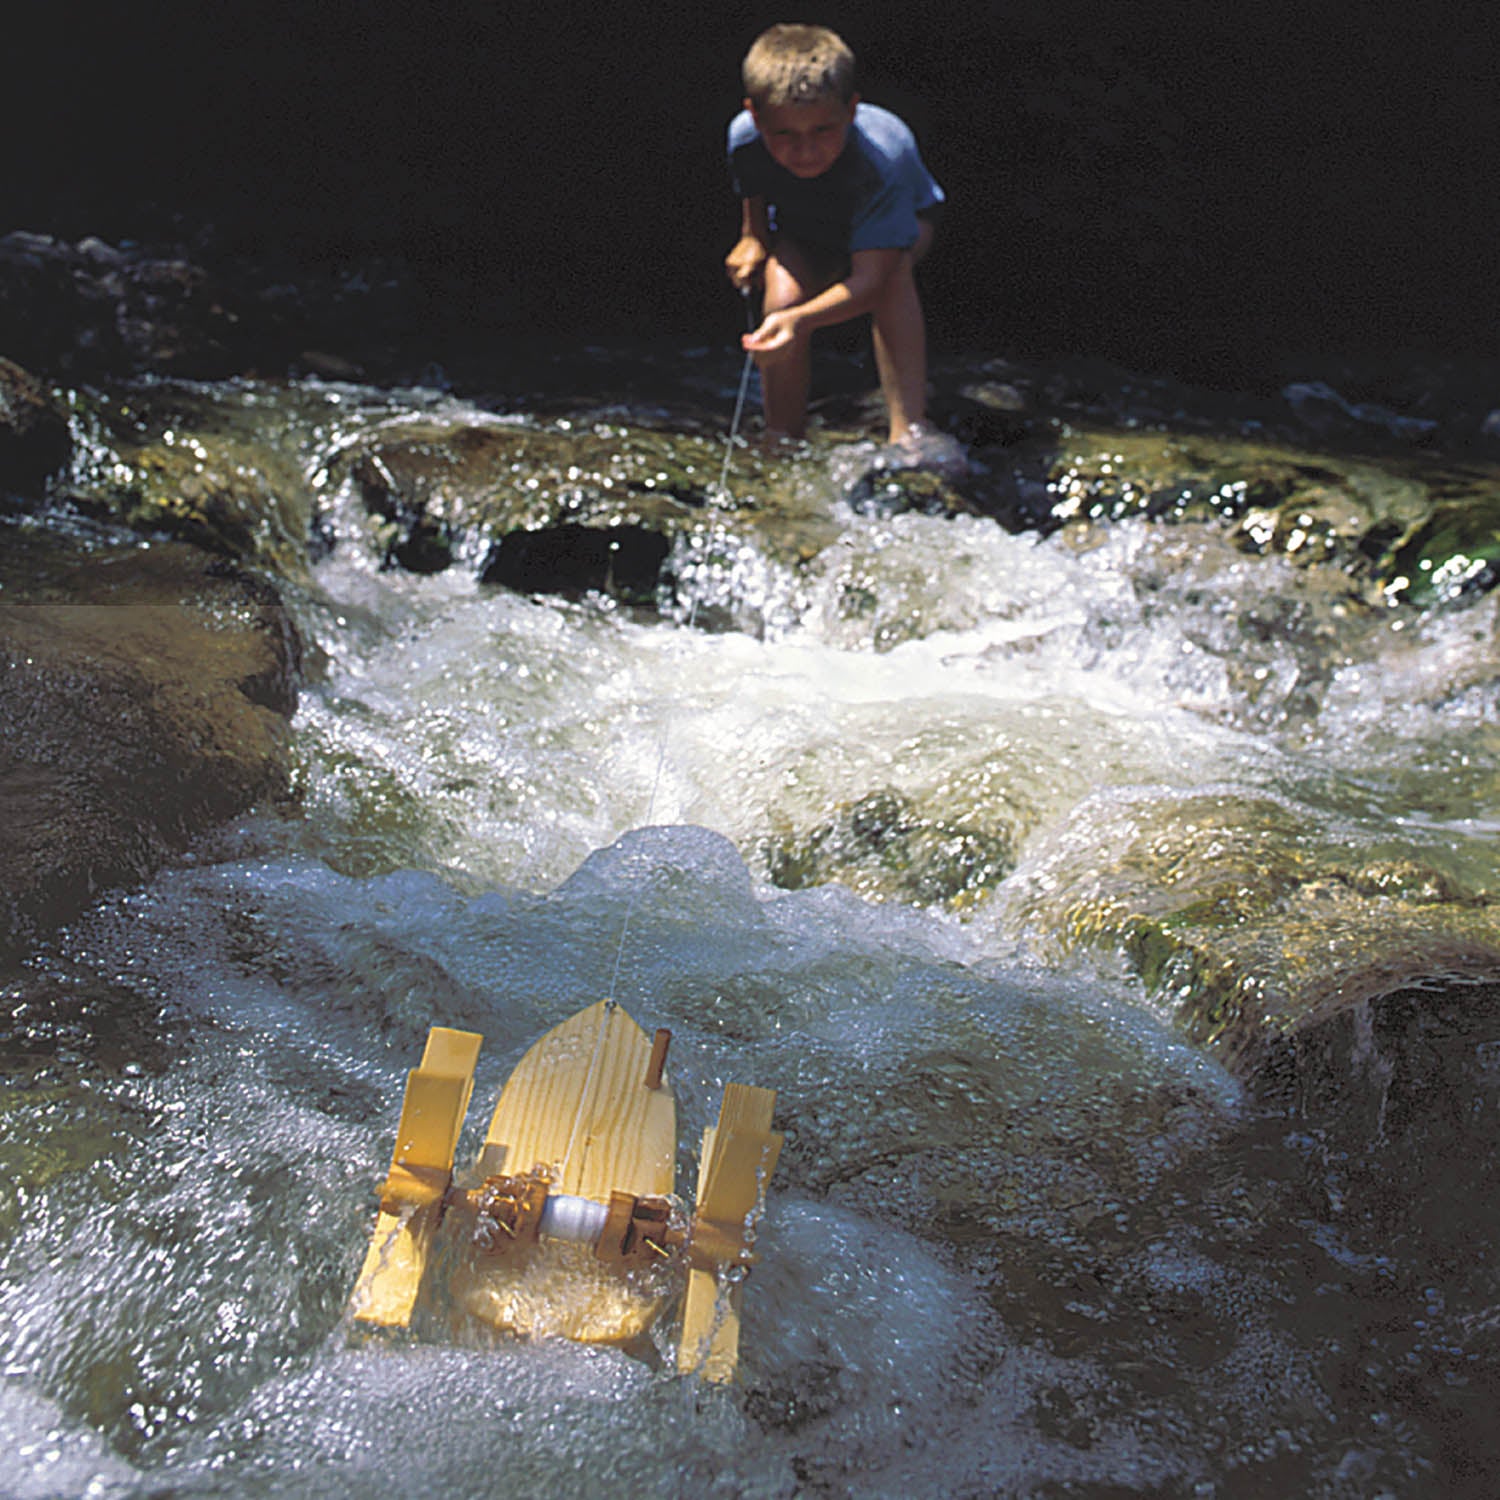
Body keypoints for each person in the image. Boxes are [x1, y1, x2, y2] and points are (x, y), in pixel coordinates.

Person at [724, 23, 944, 448]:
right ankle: (782, 434)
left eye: (823, 131)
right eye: (784, 134)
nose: (805, 151)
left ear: (851, 110)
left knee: (893, 276)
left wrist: (800, 322)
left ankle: (908, 428)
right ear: (756, 117)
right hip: (810, 229)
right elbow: (754, 206)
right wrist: (752, 240)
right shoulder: (743, 138)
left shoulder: (884, 158)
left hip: (897, 232)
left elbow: (870, 282)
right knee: (780, 298)